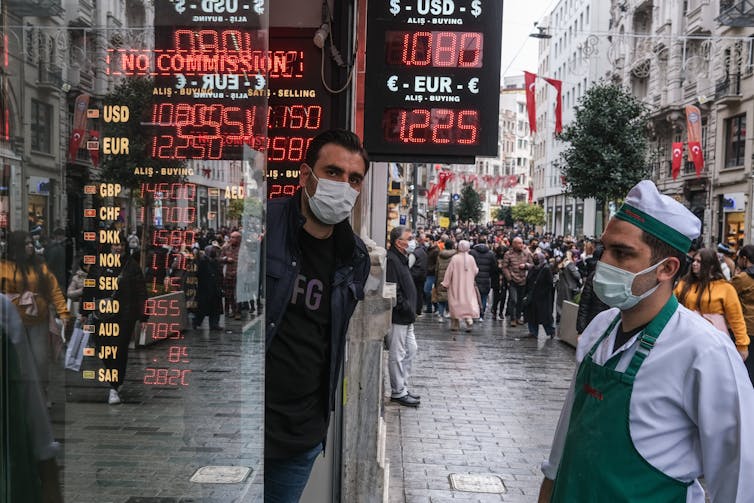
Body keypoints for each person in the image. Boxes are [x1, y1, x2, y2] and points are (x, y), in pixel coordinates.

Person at [538, 180, 754, 502]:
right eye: (605, 248)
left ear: (666, 268)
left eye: (622, 253)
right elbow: (566, 435)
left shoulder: (705, 352)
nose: (604, 262)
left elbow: (738, 478)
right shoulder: (600, 328)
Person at [264, 129, 370, 501]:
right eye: (333, 172)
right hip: (245, 424)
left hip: (301, 435)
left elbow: (330, 338)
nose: (344, 185)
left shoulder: (354, 258)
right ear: (305, 175)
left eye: (354, 179)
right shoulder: (265, 226)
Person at [0, 230, 71, 401]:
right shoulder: (3, 266)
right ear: (16, 247)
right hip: (11, 321)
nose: (31, 246)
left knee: (40, 360)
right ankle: (19, 397)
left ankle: (41, 393)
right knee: (17, 360)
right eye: (26, 243)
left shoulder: (40, 265)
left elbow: (53, 289)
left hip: (38, 319)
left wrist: (63, 312)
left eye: (31, 242)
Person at [82, 239, 146, 405]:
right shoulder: (98, 264)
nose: (118, 248)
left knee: (118, 349)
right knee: (103, 349)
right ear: (110, 246)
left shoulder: (131, 266)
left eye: (121, 245)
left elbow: (141, 291)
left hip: (124, 316)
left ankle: (114, 387)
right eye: (115, 245)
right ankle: (115, 378)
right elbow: (89, 288)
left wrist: (144, 316)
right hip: (100, 315)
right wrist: (84, 311)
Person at [674, 248, 749, 361]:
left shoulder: (725, 289)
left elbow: (736, 319)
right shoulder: (684, 284)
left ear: (711, 266)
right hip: (686, 338)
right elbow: (671, 307)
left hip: (714, 341)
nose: (694, 264)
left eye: (699, 261)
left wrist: (742, 345)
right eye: (694, 260)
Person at [386, 226, 420, 407]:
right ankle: (398, 391)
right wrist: (404, 306)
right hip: (399, 316)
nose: (413, 241)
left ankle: (403, 387)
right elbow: (393, 288)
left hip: (408, 316)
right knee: (397, 354)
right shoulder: (391, 260)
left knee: (411, 350)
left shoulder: (402, 259)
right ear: (400, 242)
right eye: (410, 238)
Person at [441, 240, 480, 332]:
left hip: (456, 284)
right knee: (468, 301)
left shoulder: (455, 258)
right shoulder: (471, 258)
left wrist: (445, 283)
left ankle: (455, 324)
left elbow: (449, 272)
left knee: (455, 302)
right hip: (468, 285)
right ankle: (468, 320)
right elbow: (475, 271)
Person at [731, 244, 754, 385]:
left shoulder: (742, 278)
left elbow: (727, 293)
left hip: (746, 328)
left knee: (745, 367)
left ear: (744, 259)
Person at [524, 251, 555, 338]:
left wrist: (543, 293)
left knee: (544, 317)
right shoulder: (533, 268)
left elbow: (549, 284)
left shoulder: (546, 269)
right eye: (534, 257)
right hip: (532, 296)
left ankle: (550, 331)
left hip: (543, 298)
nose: (535, 259)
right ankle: (533, 332)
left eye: (537, 258)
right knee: (532, 315)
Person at [503, 237, 532, 327]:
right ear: (514, 244)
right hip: (512, 280)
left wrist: (526, 265)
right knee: (513, 300)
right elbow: (504, 267)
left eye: (522, 243)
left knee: (520, 300)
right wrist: (509, 277)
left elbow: (532, 265)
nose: (521, 245)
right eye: (519, 243)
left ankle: (518, 317)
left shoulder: (526, 253)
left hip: (523, 280)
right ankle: (513, 318)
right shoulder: (508, 254)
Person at [194, 245, 224, 331]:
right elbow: (198, 274)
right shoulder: (203, 262)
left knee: (215, 308)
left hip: (215, 288)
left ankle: (214, 324)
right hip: (205, 289)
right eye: (212, 251)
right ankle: (196, 322)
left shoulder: (216, 262)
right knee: (202, 308)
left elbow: (219, 274)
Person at [469, 236, 496, 321]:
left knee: (474, 297)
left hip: (474, 278)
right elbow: (494, 267)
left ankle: (474, 314)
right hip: (486, 279)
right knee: (484, 297)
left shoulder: (472, 252)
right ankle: (481, 314)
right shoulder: (491, 253)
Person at [220, 230, 242, 319]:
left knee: (238, 295)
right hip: (228, 275)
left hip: (239, 275)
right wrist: (226, 259)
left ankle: (238, 312)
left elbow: (249, 262)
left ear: (239, 239)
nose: (231, 239)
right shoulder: (226, 248)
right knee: (229, 295)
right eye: (231, 237)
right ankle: (232, 310)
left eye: (234, 237)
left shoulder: (243, 248)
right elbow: (220, 258)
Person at [555, 250, 581, 323]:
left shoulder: (562, 264)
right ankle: (567, 321)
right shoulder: (570, 264)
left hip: (561, 286)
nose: (576, 258)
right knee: (569, 304)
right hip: (570, 288)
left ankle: (559, 319)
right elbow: (577, 275)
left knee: (560, 303)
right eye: (575, 257)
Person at [434, 240, 456, 321]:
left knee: (441, 297)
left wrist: (435, 279)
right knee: (450, 296)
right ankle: (449, 312)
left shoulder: (440, 255)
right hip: (451, 278)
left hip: (441, 278)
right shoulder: (455, 255)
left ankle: (440, 315)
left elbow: (436, 269)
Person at [409, 233, 428, 317]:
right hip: (422, 276)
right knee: (419, 293)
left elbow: (409, 265)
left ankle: (414, 309)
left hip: (414, 276)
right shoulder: (423, 251)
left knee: (414, 293)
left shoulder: (414, 253)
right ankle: (418, 310)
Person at [423, 235, 440, 314]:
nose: (426, 242)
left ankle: (435, 306)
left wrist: (430, 269)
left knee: (428, 290)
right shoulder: (428, 249)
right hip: (427, 273)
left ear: (432, 241)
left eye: (427, 240)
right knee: (429, 291)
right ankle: (430, 308)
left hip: (432, 274)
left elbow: (437, 263)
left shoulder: (436, 250)